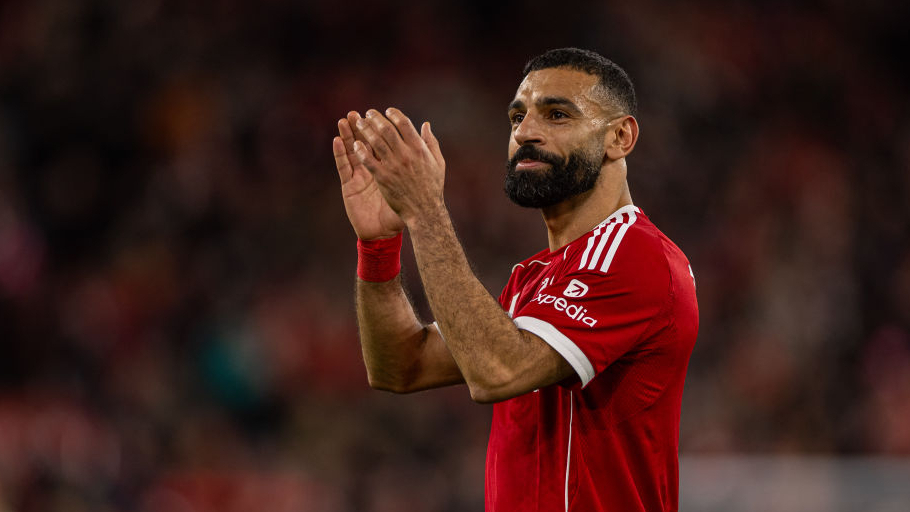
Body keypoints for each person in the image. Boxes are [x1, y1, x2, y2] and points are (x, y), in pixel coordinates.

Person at [331, 48, 698, 512]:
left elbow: (498, 373)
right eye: (517, 117)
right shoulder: (535, 276)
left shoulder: (634, 255)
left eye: (557, 114)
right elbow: (402, 366)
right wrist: (379, 245)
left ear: (619, 137)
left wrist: (425, 211)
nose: (525, 132)